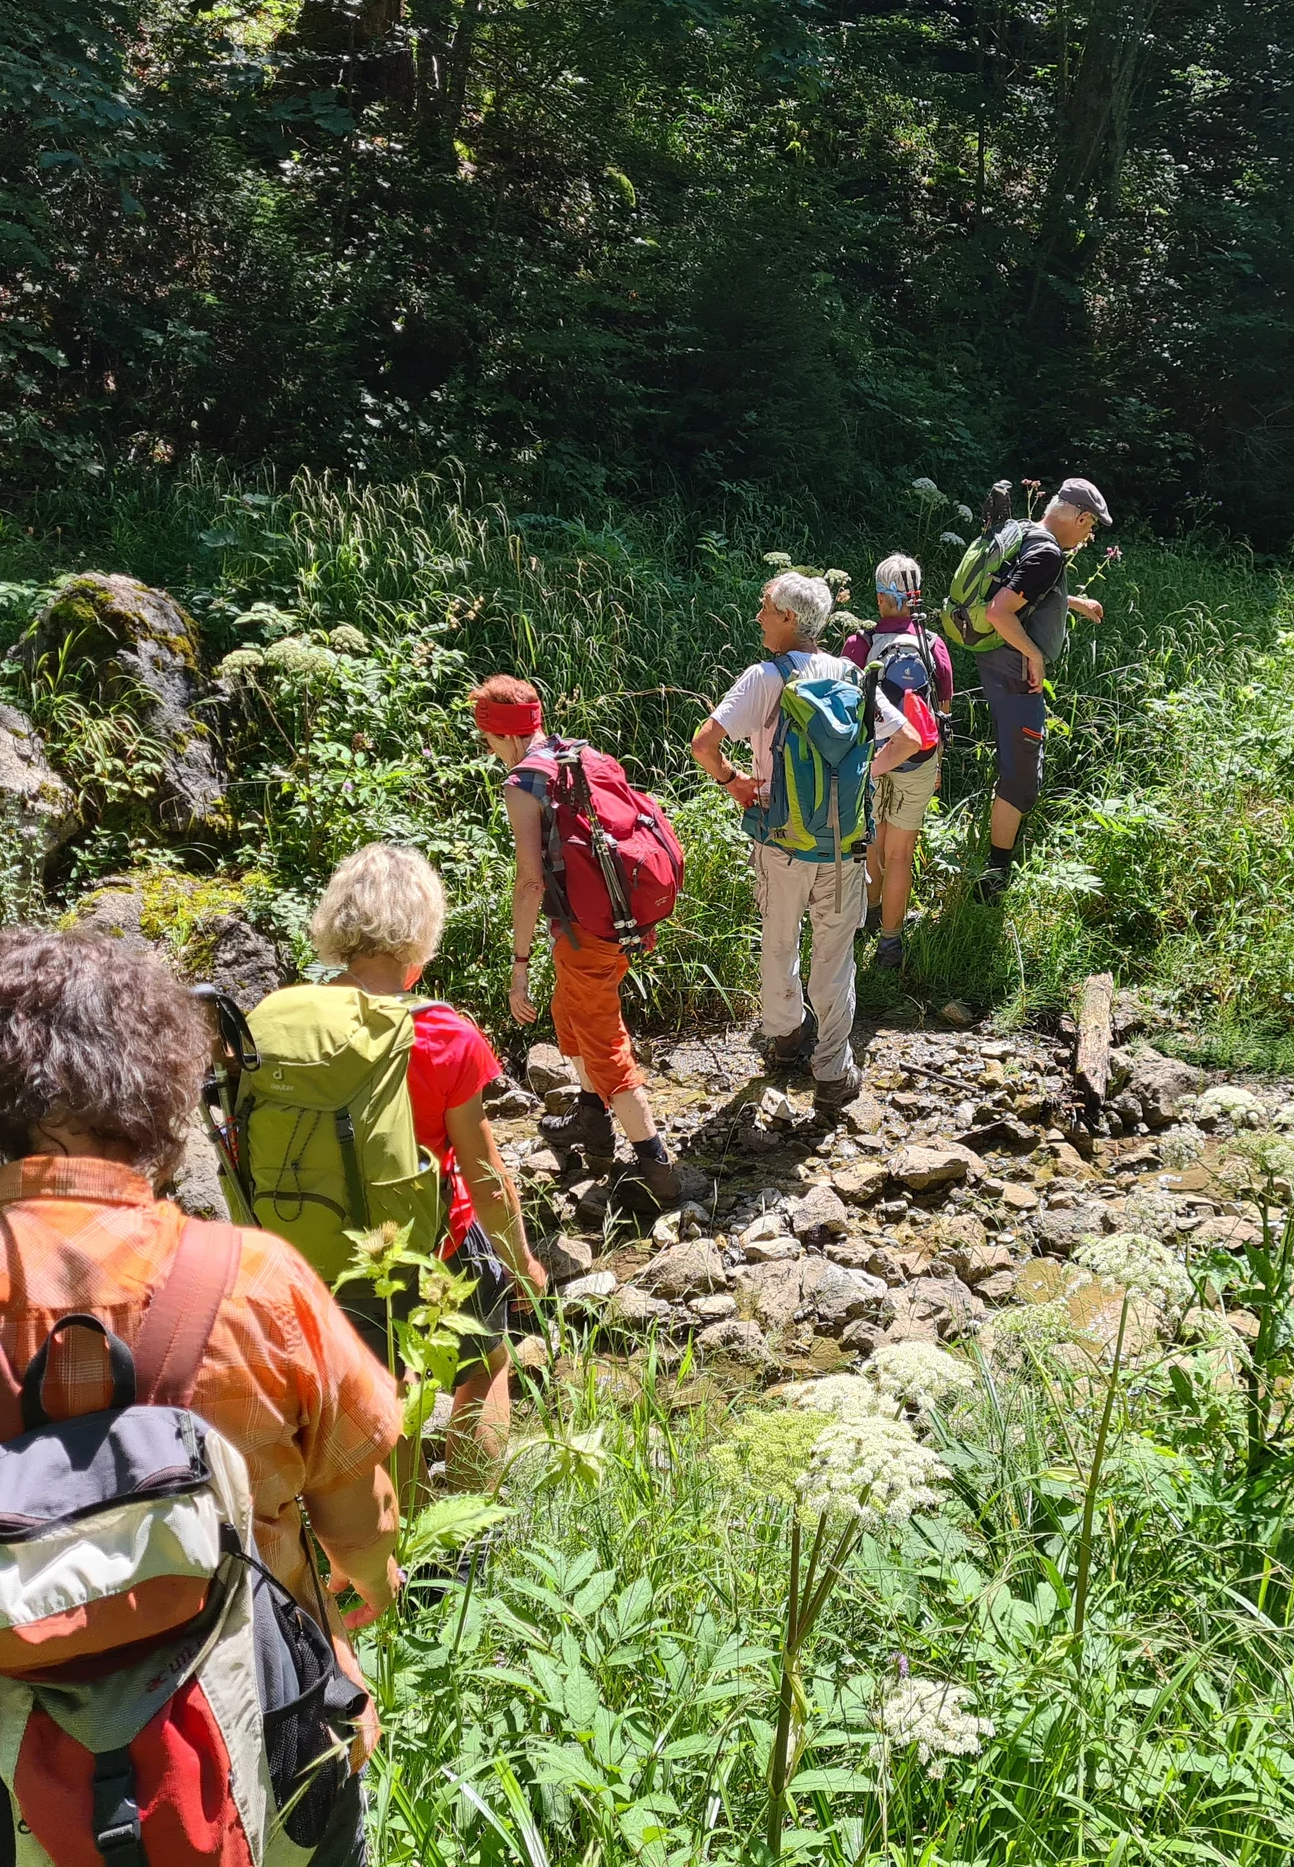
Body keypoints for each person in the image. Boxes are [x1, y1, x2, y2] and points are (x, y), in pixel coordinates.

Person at [0, 927, 404, 1851]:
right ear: (156, 1090)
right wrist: (364, 1589)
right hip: (257, 1777)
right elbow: (363, 1523)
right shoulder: (256, 1281)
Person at [307, 843, 543, 1470]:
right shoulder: (444, 1033)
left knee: (385, 1390)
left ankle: (396, 1546)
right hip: (434, 1246)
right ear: (420, 936)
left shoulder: (295, 1027)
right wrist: (521, 1263)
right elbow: (483, 1175)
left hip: (325, 1247)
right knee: (489, 1362)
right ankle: (462, 1545)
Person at [690, 570, 920, 1106]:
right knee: (835, 958)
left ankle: (787, 1037)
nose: (759, 617)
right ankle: (834, 1074)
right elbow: (908, 738)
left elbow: (704, 745)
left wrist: (735, 784)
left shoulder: (764, 677)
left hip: (781, 842)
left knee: (779, 942)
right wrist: (864, 773)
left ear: (790, 618)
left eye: (765, 607)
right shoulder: (850, 673)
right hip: (845, 845)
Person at [471, 674, 685, 1210]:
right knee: (571, 1013)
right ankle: (592, 1122)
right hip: (617, 917)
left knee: (605, 1041)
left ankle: (656, 1169)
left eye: (486, 740)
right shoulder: (581, 756)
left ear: (500, 736)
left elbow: (529, 881)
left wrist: (519, 965)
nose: (489, 751)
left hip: (586, 931)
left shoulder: (522, 784)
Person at [975, 477, 1110, 896]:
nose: (1089, 535)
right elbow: (1001, 612)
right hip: (1016, 671)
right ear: (1082, 517)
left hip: (997, 661)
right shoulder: (1049, 552)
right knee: (1021, 777)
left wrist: (1074, 603)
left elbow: (1018, 591)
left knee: (1016, 764)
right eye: (1091, 527)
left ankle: (998, 862)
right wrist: (1034, 655)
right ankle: (994, 880)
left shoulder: (1026, 533)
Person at [841, 553, 953, 970]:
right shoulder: (931, 643)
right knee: (901, 852)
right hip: (919, 757)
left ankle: (870, 912)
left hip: (872, 757)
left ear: (880, 597)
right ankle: (890, 944)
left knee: (871, 836)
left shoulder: (860, 642)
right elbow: (941, 709)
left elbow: (845, 704)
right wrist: (936, 765)